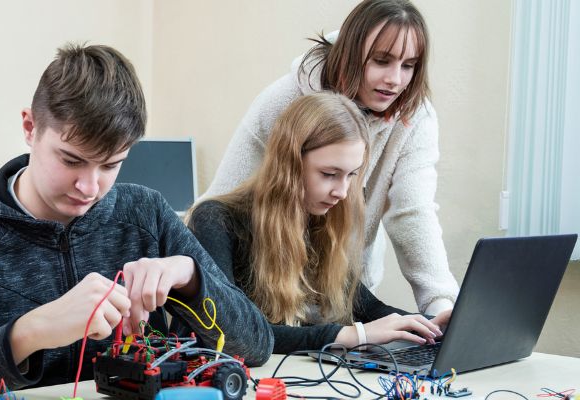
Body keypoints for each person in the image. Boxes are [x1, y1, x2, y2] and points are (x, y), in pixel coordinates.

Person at [0, 43, 273, 398]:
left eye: (110, 165)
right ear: (30, 128)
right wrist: (28, 333)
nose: (89, 187)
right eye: (71, 160)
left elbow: (256, 347)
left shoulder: (147, 214)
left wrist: (191, 279)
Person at [202, 0, 459, 315]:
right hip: (262, 297)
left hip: (342, 289)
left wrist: (440, 306)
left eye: (408, 66)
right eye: (381, 61)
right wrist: (217, 295)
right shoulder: (284, 101)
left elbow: (413, 212)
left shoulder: (415, 118)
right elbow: (222, 205)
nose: (395, 79)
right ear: (351, 54)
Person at [188, 92, 451, 354]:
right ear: (289, 164)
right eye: (329, 174)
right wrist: (351, 335)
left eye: (351, 175)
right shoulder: (215, 221)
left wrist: (434, 326)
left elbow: (367, 309)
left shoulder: (321, 222)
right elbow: (229, 330)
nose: (342, 191)